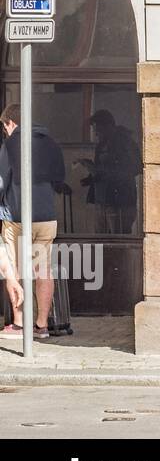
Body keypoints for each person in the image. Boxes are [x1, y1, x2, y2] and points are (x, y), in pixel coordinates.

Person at [0, 104, 66, 339]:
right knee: (43, 269)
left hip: (18, 218)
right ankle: (41, 325)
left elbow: (1, 181)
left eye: (4, 126)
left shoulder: (10, 145)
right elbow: (60, 178)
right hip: (46, 217)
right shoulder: (50, 143)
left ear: (11, 123)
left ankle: (18, 324)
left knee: (14, 269)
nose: (4, 132)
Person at [78, 110, 142, 235]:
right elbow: (101, 171)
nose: (96, 134)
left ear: (108, 126)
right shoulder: (101, 145)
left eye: (98, 130)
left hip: (119, 202)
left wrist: (104, 173)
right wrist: (91, 178)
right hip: (103, 201)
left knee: (118, 242)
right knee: (102, 243)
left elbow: (136, 167)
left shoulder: (125, 143)